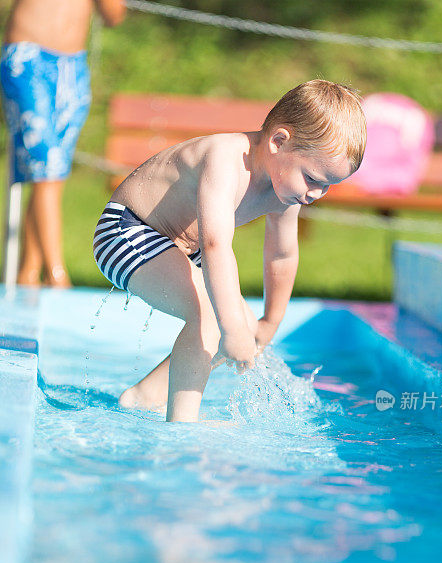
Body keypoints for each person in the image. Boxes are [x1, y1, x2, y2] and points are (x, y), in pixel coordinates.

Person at [93, 80, 367, 423]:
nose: (317, 193)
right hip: (129, 230)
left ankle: (145, 396)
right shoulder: (225, 159)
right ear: (279, 142)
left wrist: (269, 321)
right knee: (215, 318)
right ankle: (182, 426)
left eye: (328, 185)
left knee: (242, 328)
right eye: (313, 178)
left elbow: (281, 255)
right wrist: (231, 325)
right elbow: (215, 245)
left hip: (180, 246)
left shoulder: (287, 188)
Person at [0, 0, 126, 287]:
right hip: (27, 57)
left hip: (72, 68)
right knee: (48, 167)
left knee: (53, 176)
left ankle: (28, 273)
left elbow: (114, 16)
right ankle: (58, 277)